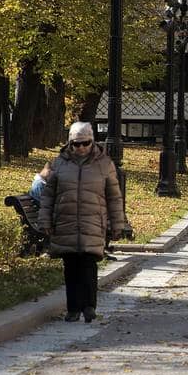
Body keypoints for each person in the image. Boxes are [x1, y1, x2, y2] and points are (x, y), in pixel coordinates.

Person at [38, 122, 128, 323]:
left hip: (93, 221)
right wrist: (45, 220)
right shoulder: (60, 163)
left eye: (85, 143)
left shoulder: (104, 164)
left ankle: (89, 306)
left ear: (92, 141)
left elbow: (114, 197)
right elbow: (48, 195)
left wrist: (117, 223)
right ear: (70, 142)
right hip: (66, 221)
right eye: (76, 144)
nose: (80, 148)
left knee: (88, 264)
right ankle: (73, 308)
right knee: (71, 266)